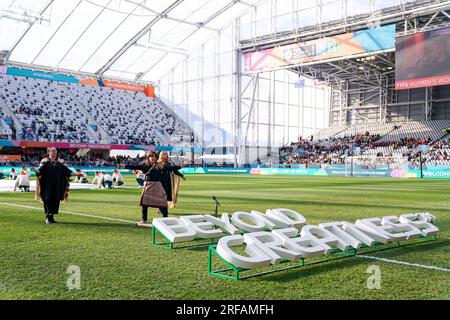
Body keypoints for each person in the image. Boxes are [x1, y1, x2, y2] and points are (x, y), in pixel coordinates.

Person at [30, 147, 81, 224]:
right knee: (48, 199)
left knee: (56, 200)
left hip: (57, 185)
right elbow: (40, 170)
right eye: (53, 151)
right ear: (49, 152)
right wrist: (35, 170)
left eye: (55, 151)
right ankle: (47, 217)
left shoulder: (60, 162)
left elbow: (67, 171)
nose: (54, 153)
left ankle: (52, 217)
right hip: (47, 185)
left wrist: (77, 174)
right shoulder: (45, 161)